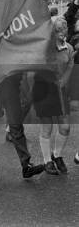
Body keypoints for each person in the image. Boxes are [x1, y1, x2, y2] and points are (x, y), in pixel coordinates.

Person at [33, 18, 74, 174]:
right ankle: (47, 162)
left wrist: (63, 82)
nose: (63, 32)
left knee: (65, 127)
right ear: (53, 32)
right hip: (43, 90)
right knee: (47, 128)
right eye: (59, 30)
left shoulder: (68, 48)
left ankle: (57, 155)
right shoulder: (44, 47)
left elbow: (69, 66)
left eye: (65, 29)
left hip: (60, 91)